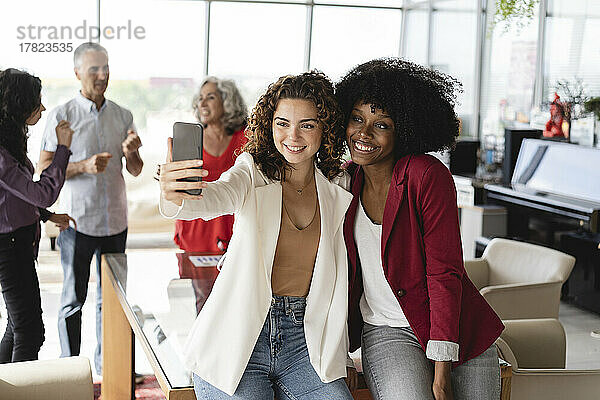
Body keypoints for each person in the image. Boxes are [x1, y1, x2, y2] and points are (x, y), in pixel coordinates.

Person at [159, 71, 354, 399]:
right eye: (282, 123)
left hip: (304, 343)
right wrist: (174, 193)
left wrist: (343, 351)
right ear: (269, 124)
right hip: (238, 336)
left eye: (306, 124)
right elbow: (214, 196)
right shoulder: (252, 172)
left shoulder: (338, 184)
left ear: (325, 128)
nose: (292, 135)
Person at [336, 58, 504, 400]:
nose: (363, 133)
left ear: (405, 130)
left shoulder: (426, 176)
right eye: (357, 119)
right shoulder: (341, 182)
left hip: (457, 328)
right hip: (387, 330)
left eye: (381, 124)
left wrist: (441, 372)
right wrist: (337, 352)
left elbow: (444, 271)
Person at [37, 42, 143, 374]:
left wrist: (133, 153)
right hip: (76, 224)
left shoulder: (123, 115)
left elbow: (136, 169)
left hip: (115, 222)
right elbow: (43, 169)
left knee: (112, 302)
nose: (102, 76)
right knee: (72, 301)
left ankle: (109, 368)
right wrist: (82, 166)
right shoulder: (61, 115)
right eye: (94, 69)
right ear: (78, 73)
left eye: (106, 68)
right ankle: (71, 371)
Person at [0, 68, 75, 363]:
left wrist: (46, 215)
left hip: (17, 242)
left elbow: (14, 196)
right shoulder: (2, 154)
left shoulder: (9, 141)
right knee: (30, 332)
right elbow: (41, 191)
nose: (42, 108)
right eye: (37, 101)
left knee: (17, 327)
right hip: (10, 247)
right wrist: (63, 147)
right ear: (18, 104)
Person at [174, 77, 247, 253]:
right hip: (197, 226)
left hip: (235, 224)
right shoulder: (189, 139)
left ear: (227, 101)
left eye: (211, 97)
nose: (203, 103)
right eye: (200, 98)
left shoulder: (246, 138)